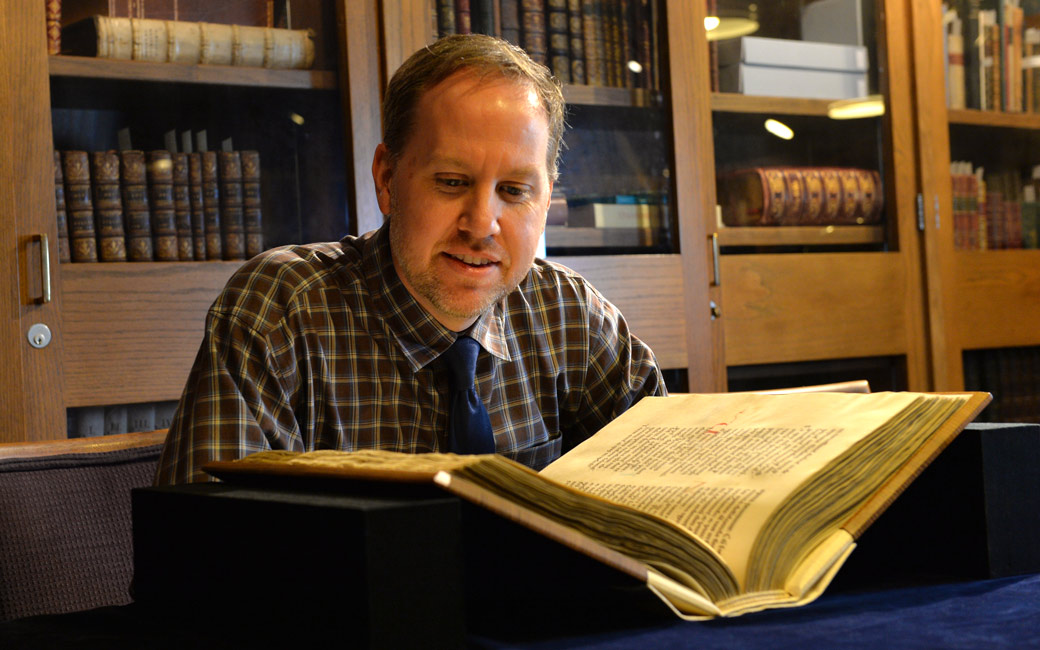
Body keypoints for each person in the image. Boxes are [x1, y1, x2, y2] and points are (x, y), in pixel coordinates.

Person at [155, 34, 664, 485]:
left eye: (513, 190)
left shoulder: (572, 316)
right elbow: (204, 562)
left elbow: (677, 485)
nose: (481, 223)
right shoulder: (281, 314)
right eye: (451, 182)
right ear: (387, 178)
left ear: (547, 199)